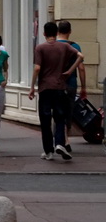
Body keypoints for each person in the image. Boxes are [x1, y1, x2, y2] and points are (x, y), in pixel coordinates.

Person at [29, 21, 82, 161]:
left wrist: (32, 87)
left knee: (45, 121)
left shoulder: (40, 48)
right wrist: (70, 71)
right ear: (56, 32)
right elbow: (80, 56)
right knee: (60, 118)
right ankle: (59, 143)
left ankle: (48, 151)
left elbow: (37, 68)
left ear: (44, 34)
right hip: (60, 87)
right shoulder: (64, 46)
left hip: (45, 88)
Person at [57, 19, 87, 150]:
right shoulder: (75, 47)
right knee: (68, 112)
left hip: (55, 84)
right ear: (70, 31)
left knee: (57, 112)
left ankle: (61, 140)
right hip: (71, 83)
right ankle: (66, 139)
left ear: (58, 31)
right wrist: (84, 87)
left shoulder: (52, 45)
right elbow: (81, 68)